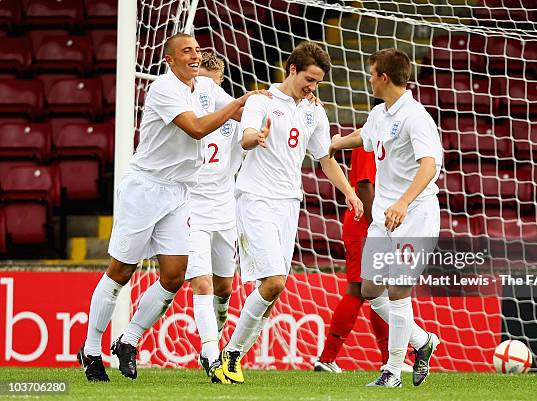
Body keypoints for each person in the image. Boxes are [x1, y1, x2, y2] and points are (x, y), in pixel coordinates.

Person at [77, 33, 263, 382]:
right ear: (170, 60)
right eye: (186, 51)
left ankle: (128, 340)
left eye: (196, 49)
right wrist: (239, 102)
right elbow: (195, 128)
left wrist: (274, 101)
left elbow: (242, 111)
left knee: (175, 275)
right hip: (145, 188)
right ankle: (90, 349)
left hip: (180, 192)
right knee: (121, 271)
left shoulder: (204, 88)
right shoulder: (164, 89)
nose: (194, 56)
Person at [212, 41, 364, 385]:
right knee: (274, 282)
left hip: (288, 204)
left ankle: (228, 358)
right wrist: (256, 137)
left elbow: (325, 157)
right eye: (309, 79)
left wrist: (350, 192)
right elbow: (246, 137)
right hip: (255, 198)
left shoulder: (313, 110)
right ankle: (231, 355)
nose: (312, 87)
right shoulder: (261, 100)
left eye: (318, 82)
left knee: (272, 293)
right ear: (292, 69)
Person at [328, 48, 443, 388]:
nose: (368, 78)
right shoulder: (381, 112)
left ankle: (393, 371)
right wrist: (337, 143)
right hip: (384, 215)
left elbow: (429, 165)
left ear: (384, 78)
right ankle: (422, 342)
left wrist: (405, 202)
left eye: (372, 72)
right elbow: (364, 137)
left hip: (415, 214)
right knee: (370, 288)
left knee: (397, 289)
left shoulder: (416, 117)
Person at [186, 51, 243, 380]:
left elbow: (254, 133)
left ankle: (214, 337)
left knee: (224, 286)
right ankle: (211, 352)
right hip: (191, 208)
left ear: (220, 82)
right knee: (202, 282)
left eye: (213, 82)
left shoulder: (231, 118)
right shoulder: (186, 115)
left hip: (224, 209)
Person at [314, 145, 396, 373]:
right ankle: (328, 358)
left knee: (376, 290)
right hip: (365, 224)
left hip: (365, 223)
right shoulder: (368, 140)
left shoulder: (377, 135)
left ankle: (388, 359)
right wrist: (376, 225)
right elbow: (363, 185)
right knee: (360, 289)